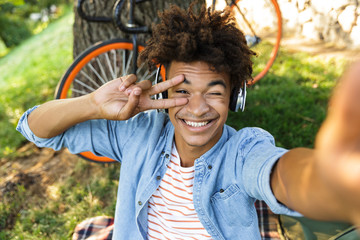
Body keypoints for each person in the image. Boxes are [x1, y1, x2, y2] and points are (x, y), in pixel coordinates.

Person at [17, 3, 360, 240]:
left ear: (235, 96)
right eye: (183, 90)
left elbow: (280, 174)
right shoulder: (139, 133)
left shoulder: (243, 150)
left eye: (214, 92)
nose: (197, 109)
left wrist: (333, 182)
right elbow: (35, 128)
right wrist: (92, 104)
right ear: (162, 83)